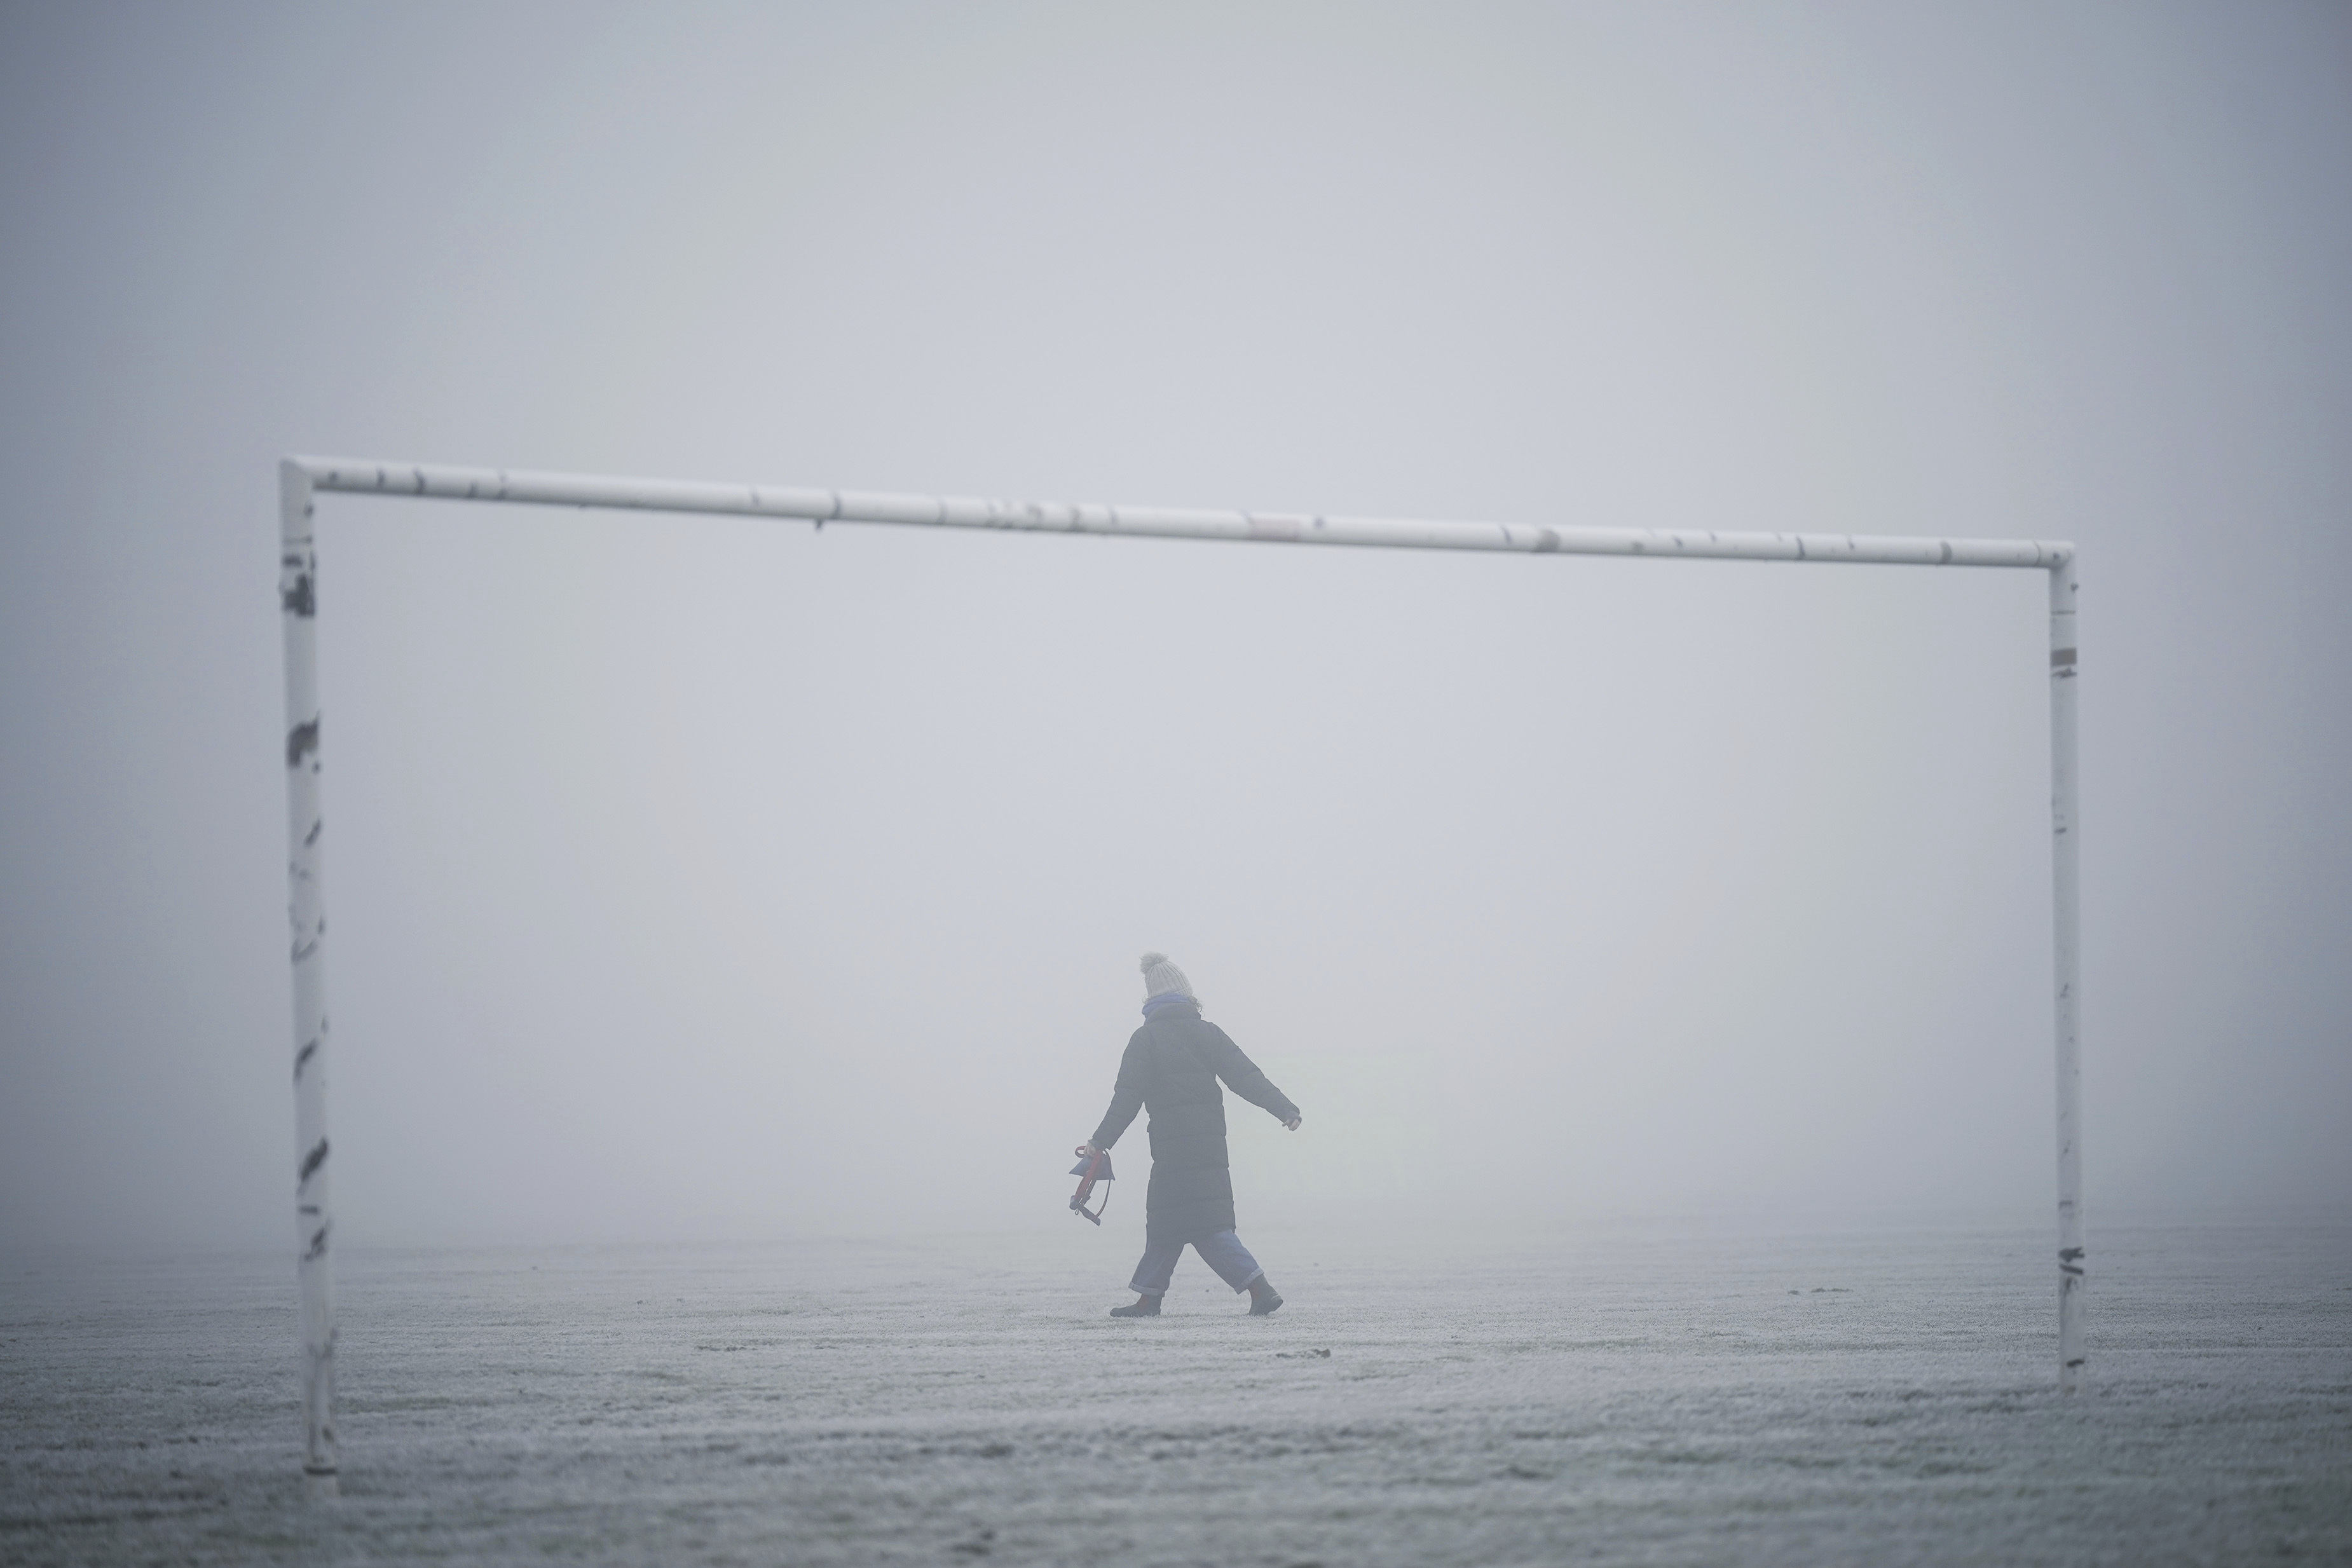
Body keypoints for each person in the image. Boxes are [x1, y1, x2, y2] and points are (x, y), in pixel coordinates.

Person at [1076, 953, 1302, 1318]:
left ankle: (1260, 1289)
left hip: (1171, 1149)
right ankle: (1150, 1299)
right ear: (1186, 994)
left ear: (1150, 999)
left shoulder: (1145, 1040)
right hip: (1210, 1145)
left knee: (1203, 1226)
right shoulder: (1208, 1033)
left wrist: (1100, 1141)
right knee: (1171, 1221)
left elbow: (1127, 1099)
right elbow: (1246, 1077)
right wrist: (1285, 1109)